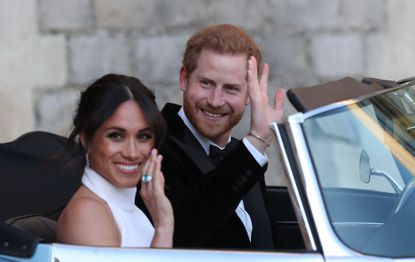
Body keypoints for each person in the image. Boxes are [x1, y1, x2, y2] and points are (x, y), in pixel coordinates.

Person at [137, 24, 285, 249]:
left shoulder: (243, 153)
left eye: (231, 88)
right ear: (184, 79)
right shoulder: (152, 144)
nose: (216, 100)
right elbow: (181, 232)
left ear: (249, 95)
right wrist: (256, 141)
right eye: (206, 83)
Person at [57, 74, 174, 248]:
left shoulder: (130, 210)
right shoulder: (88, 214)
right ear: (86, 139)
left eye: (143, 136)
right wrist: (164, 227)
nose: (132, 153)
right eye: (116, 136)